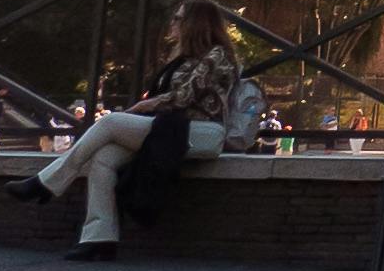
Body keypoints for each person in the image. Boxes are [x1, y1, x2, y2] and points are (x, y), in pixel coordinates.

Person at [14, 14, 250, 258]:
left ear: (196, 22)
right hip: (170, 130)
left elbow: (184, 97)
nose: (172, 23)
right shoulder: (184, 59)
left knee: (110, 122)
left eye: (179, 18)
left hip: (202, 132)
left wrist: (143, 106)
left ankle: (46, 183)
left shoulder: (218, 55)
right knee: (104, 158)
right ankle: (99, 239)